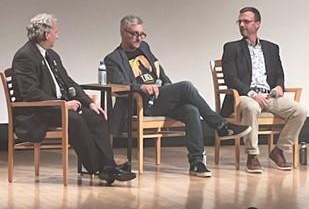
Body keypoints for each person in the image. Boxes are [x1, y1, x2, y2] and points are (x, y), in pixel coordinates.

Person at [104, 14, 252, 178]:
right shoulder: (113, 59)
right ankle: (221, 126)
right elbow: (119, 85)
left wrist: (167, 86)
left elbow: (159, 72)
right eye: (134, 34)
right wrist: (141, 87)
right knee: (186, 86)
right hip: (142, 103)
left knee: (191, 111)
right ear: (122, 33)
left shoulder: (145, 48)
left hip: (160, 97)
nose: (138, 38)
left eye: (141, 34)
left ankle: (196, 163)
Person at [11, 13, 136, 184]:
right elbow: (30, 93)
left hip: (56, 108)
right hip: (37, 112)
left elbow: (68, 82)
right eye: (56, 32)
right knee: (75, 119)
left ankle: (108, 166)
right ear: (46, 34)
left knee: (97, 116)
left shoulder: (51, 55)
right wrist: (63, 104)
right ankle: (96, 167)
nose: (58, 35)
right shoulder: (25, 56)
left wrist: (89, 103)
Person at [221, 7, 307, 173]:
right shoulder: (231, 48)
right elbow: (230, 79)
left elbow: (279, 74)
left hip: (269, 96)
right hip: (245, 95)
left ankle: (279, 150)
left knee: (300, 111)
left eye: (246, 21)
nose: (242, 25)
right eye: (240, 21)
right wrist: (253, 94)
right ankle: (252, 155)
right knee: (252, 107)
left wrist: (279, 86)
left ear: (257, 24)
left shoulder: (271, 48)